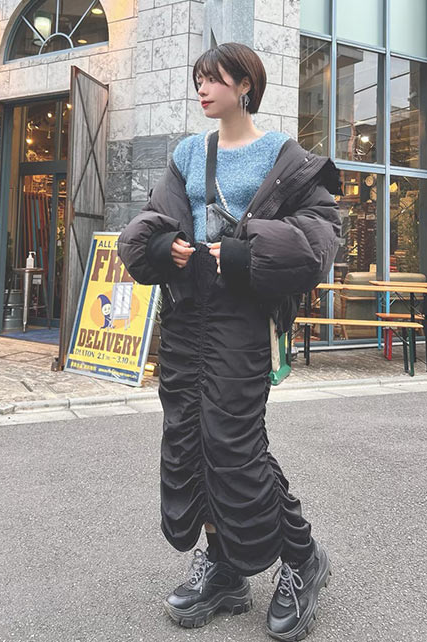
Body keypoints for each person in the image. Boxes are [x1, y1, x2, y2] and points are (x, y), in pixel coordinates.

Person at [118, 42, 341, 641]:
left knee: (235, 446)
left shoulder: (283, 156)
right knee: (189, 442)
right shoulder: (190, 153)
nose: (202, 88)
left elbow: (320, 236)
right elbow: (154, 219)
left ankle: (303, 558)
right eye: (198, 79)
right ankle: (225, 569)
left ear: (246, 85)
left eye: (213, 78)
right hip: (187, 317)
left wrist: (246, 253)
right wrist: (161, 246)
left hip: (242, 320)